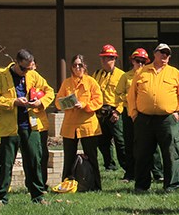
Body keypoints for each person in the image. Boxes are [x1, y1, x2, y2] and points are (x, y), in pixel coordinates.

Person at [0, 49, 54, 205]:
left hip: (30, 126)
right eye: (23, 68)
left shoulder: (32, 75)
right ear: (16, 62)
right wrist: (13, 102)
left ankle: (38, 196)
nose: (26, 72)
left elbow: (49, 91)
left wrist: (40, 103)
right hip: (9, 128)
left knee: (34, 160)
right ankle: (0, 198)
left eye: (29, 68)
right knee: (6, 163)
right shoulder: (1, 76)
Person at [128, 43, 179, 192]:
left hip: (167, 119)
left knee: (170, 153)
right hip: (144, 119)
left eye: (167, 54)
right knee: (142, 153)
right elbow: (131, 96)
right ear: (154, 54)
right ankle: (141, 186)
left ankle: (172, 185)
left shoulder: (175, 73)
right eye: (161, 52)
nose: (164, 56)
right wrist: (134, 114)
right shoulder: (141, 72)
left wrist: (178, 112)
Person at [57, 54, 104, 190]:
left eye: (80, 65)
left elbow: (98, 101)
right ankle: (66, 185)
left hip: (87, 125)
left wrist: (84, 105)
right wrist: (66, 104)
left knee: (92, 157)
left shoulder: (91, 82)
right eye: (75, 65)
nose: (77, 68)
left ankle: (95, 185)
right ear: (71, 68)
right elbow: (58, 102)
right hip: (69, 127)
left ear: (84, 67)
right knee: (69, 158)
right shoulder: (66, 83)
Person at [115, 48, 162, 182]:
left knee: (151, 143)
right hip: (129, 112)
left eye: (143, 61)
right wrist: (130, 99)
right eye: (137, 61)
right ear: (132, 61)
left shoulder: (150, 74)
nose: (140, 64)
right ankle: (131, 173)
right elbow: (118, 93)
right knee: (129, 143)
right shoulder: (126, 76)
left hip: (145, 113)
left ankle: (158, 173)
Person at [92, 44, 125, 172]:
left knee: (120, 141)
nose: (106, 61)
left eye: (109, 58)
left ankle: (127, 167)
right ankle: (109, 165)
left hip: (115, 111)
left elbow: (125, 96)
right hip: (100, 111)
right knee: (102, 141)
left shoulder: (121, 75)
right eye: (103, 58)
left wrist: (118, 111)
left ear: (114, 59)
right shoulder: (97, 74)